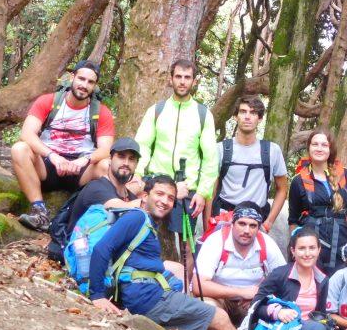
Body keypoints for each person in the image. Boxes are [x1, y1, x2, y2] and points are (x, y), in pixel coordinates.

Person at [87, 174, 308, 330]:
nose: (165, 201)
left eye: (170, 198)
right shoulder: (136, 217)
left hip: (144, 296)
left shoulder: (147, 225)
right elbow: (101, 249)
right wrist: (97, 295)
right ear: (144, 196)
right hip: (148, 298)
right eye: (159, 194)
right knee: (218, 317)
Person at [13, 60, 114, 232]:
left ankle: (104, 221)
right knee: (19, 149)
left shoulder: (101, 112)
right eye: (81, 79)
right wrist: (52, 155)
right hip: (48, 165)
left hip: (81, 170)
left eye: (90, 82)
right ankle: (40, 212)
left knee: (107, 165)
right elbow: (27, 133)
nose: (84, 85)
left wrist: (84, 160)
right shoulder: (48, 101)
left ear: (95, 86)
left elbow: (105, 149)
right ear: (72, 77)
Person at [254, 228, 347, 330]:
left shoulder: (322, 279)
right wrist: (277, 312)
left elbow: (320, 313)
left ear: (319, 250)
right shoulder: (280, 274)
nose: (307, 253)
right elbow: (255, 306)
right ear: (293, 251)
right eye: (302, 248)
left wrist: (327, 327)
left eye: (312, 248)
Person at [133, 58, 218, 233]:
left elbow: (210, 159)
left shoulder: (203, 114)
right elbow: (143, 145)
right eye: (178, 76)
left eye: (187, 77)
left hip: (187, 188)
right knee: (141, 231)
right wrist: (138, 174)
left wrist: (202, 193)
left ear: (194, 81)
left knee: (185, 243)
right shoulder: (157, 110)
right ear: (170, 79)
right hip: (156, 182)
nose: (182, 81)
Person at [192, 202, 286, 325]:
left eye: (253, 226)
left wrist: (260, 294)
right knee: (207, 308)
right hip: (219, 299)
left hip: (253, 301)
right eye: (242, 224)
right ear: (232, 223)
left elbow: (284, 278)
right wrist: (241, 292)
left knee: (280, 313)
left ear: (259, 228)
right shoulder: (216, 241)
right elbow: (198, 286)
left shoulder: (267, 243)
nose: (247, 230)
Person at [288, 129, 347, 275]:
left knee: (341, 279)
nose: (319, 148)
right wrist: (295, 247)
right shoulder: (298, 180)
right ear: (309, 147)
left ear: (330, 149)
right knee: (313, 281)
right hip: (311, 241)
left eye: (324, 145)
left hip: (341, 240)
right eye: (315, 144)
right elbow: (293, 220)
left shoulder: (344, 174)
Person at [208, 96, 288, 233]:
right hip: (224, 218)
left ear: (260, 118)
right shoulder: (220, 149)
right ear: (235, 116)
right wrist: (208, 224)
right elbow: (211, 190)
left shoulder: (272, 151)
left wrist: (268, 223)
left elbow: (282, 188)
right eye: (243, 111)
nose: (247, 117)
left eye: (253, 113)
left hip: (256, 220)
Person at [66, 137, 143, 230]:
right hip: (79, 238)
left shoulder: (131, 198)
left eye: (131, 159)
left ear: (136, 165)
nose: (126, 163)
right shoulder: (95, 188)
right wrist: (147, 203)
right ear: (110, 159)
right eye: (121, 156)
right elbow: (119, 207)